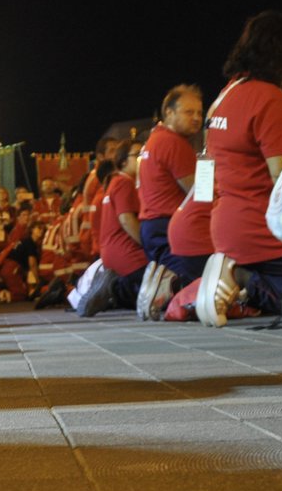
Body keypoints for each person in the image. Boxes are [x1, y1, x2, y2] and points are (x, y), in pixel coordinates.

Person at [199, 11, 282, 324]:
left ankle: (229, 277)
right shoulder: (269, 98)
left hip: (228, 226)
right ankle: (242, 278)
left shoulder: (228, 93)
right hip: (262, 232)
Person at [135, 84, 205, 315]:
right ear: (169, 113)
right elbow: (199, 192)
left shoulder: (155, 139)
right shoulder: (174, 143)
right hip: (168, 226)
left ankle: (162, 286)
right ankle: (164, 288)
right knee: (198, 283)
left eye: (199, 112)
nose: (196, 118)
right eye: (188, 112)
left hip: (152, 227)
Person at [77, 141, 150, 317]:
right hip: (128, 256)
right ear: (123, 161)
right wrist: (147, 245)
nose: (142, 159)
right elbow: (126, 220)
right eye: (137, 155)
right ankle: (114, 291)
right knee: (157, 294)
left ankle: (112, 292)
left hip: (112, 254)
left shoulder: (113, 183)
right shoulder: (125, 183)